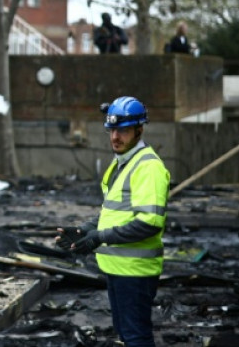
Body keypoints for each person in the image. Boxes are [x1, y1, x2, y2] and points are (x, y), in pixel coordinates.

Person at [55, 96, 170, 347]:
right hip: (119, 269)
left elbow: (149, 223)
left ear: (139, 130)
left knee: (136, 336)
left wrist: (99, 237)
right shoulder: (123, 163)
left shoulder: (147, 167)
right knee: (126, 333)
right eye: (112, 130)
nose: (115, 137)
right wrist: (87, 228)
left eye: (124, 131)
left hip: (136, 271)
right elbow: (114, 211)